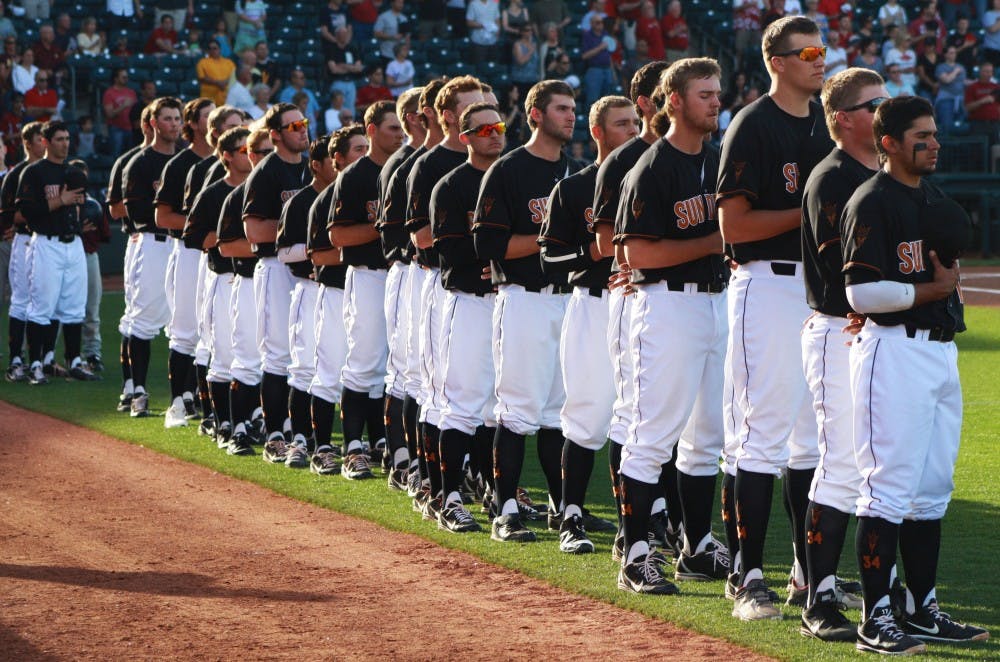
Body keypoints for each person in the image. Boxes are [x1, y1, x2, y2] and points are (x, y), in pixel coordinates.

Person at [840, 94, 990, 654]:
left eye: (934, 135)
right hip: (893, 352)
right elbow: (860, 292)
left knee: (931, 492)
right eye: (920, 137)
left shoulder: (933, 197)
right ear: (889, 143)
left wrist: (938, 289)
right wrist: (931, 289)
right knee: (886, 490)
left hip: (939, 352)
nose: (933, 144)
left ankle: (921, 607)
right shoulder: (872, 201)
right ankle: (875, 617)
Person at [716, 15, 834, 621]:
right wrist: (808, 211)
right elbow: (734, 227)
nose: (820, 58)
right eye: (807, 51)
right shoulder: (752, 125)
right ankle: (746, 574)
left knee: (810, 439)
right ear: (778, 61)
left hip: (815, 293)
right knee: (760, 435)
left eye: (822, 48)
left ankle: (804, 573)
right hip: (766, 284)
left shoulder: (826, 123)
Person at [613, 57, 731, 594]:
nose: (715, 101)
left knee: (707, 436)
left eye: (717, 92)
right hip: (667, 305)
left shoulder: (720, 159)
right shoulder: (651, 167)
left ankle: (696, 546)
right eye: (704, 94)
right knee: (651, 434)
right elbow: (635, 253)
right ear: (674, 101)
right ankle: (635, 552)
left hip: (715, 302)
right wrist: (711, 242)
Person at [797, 67, 886, 641]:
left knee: (877, 468)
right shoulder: (833, 178)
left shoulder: (883, 172)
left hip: (871, 333)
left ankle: (886, 593)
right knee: (838, 469)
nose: (884, 111)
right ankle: (817, 596)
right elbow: (841, 272)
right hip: (839, 329)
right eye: (873, 104)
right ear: (841, 118)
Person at [472, 79, 580, 542]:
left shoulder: (574, 171)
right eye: (560, 108)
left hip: (568, 300)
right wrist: (550, 240)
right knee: (516, 410)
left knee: (560, 411)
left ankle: (562, 508)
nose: (570, 116)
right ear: (535, 114)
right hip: (523, 299)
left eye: (574, 108)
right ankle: (505, 510)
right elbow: (487, 243)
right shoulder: (509, 169)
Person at [536, 94, 638, 554]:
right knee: (586, 413)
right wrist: (594, 251)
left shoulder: (647, 178)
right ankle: (570, 514)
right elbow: (551, 257)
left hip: (640, 305)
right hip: (593, 302)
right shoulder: (575, 187)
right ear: (598, 132)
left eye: (636, 122)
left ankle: (635, 523)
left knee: (636, 417)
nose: (633, 131)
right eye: (622, 124)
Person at [590, 61, 674, 561]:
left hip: (688, 295)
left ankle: (671, 519)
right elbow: (606, 244)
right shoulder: (624, 161)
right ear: (646, 102)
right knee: (633, 414)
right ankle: (636, 526)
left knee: (681, 423)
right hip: (635, 293)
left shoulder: (701, 154)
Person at [403, 75, 485, 519]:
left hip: (491, 287)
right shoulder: (430, 166)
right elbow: (421, 236)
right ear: (449, 116)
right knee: (438, 390)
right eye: (473, 109)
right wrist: (487, 243)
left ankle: (486, 482)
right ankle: (434, 484)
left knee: (491, 396)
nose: (483, 118)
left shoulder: (499, 165)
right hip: (439, 282)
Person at [426, 100, 504, 531]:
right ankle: (447, 496)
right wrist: (496, 260)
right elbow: (449, 250)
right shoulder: (452, 185)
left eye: (498, 126)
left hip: (506, 301)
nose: (493, 133)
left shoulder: (510, 176)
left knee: (498, 406)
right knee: (459, 404)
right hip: (469, 300)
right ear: (465, 137)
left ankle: (495, 493)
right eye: (483, 128)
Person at [328, 100, 404, 479]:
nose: (400, 133)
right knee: (365, 361)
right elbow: (338, 234)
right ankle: (352, 447)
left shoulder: (406, 167)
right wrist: (385, 226)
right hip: (369, 274)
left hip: (403, 276)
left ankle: (391, 446)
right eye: (392, 127)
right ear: (371, 130)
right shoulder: (356, 175)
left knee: (402, 363)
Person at [377, 79, 444, 497]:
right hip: (411, 270)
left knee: (438, 376)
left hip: (443, 276)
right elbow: (397, 236)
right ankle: (405, 458)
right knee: (409, 372)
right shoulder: (405, 164)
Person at [243, 102, 309, 452]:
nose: (302, 129)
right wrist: (296, 228)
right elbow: (254, 229)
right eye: (293, 125)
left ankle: (300, 429)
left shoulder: (311, 169)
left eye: (303, 122)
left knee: (304, 351)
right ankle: (273, 434)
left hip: (306, 268)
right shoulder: (267, 171)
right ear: (275, 134)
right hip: (275, 268)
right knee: (278, 353)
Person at [275, 135, 339, 466]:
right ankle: (300, 440)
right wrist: (321, 252)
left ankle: (329, 441)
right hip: (309, 289)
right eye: (333, 159)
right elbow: (284, 251)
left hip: (342, 289)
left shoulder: (347, 194)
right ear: (317, 165)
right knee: (304, 367)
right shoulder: (300, 202)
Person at [307, 123, 367, 474]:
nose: (362, 152)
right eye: (356, 148)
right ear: (337, 159)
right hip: (333, 289)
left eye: (364, 146)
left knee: (372, 373)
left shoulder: (379, 183)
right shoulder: (322, 200)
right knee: (331, 370)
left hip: (368, 290)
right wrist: (370, 241)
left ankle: (369, 443)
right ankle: (324, 446)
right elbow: (319, 254)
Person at [15, 120, 95, 384]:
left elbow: (80, 204)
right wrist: (60, 200)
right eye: (59, 139)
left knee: (74, 307)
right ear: (46, 142)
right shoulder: (34, 172)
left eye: (67, 138)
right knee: (41, 307)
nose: (65, 143)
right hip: (45, 243)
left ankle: (74, 361)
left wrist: (76, 207)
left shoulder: (72, 172)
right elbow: (26, 211)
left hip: (73, 244)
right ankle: (36, 364)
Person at [155, 97, 217, 429]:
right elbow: (162, 215)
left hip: (220, 255)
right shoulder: (181, 165)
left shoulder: (237, 165)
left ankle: (209, 406)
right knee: (184, 330)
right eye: (208, 116)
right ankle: (177, 401)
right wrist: (203, 225)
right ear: (194, 123)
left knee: (215, 331)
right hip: (190, 252)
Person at [120, 96, 183, 416]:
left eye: (178, 118)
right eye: (168, 118)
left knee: (184, 323)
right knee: (143, 321)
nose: (174, 123)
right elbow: (134, 210)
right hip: (152, 242)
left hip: (181, 246)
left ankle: (183, 397)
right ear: (154, 123)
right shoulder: (141, 162)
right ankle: (137, 391)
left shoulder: (185, 160)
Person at [215, 126, 270, 454]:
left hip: (282, 282)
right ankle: (236, 428)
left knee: (277, 361)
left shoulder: (290, 188)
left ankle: (267, 422)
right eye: (261, 153)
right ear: (249, 155)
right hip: (247, 282)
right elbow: (225, 246)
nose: (266, 158)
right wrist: (270, 245)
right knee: (246, 357)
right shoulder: (237, 195)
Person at [108, 106, 154, 412]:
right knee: (136, 318)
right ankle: (131, 385)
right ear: (146, 125)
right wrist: (153, 207)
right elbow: (115, 209)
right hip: (142, 239)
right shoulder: (129, 161)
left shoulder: (180, 163)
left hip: (173, 245)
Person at [2, 121, 46, 382]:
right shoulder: (17, 173)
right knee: (21, 301)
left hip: (47, 243)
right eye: (40, 139)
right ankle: (16, 360)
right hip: (24, 240)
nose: (44, 143)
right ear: (27, 143)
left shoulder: (53, 171)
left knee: (43, 302)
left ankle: (42, 359)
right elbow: (8, 213)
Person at [69, 158, 110, 373]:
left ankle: (93, 353)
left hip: (88, 256)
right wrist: (76, 229)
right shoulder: (63, 202)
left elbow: (104, 235)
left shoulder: (93, 205)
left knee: (91, 308)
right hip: (64, 254)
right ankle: (55, 356)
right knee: (61, 309)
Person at [326, 27, 364, 115]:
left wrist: (343, 65)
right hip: (338, 82)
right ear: (337, 35)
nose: (344, 36)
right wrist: (351, 68)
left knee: (350, 110)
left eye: (345, 34)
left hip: (350, 83)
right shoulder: (332, 49)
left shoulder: (352, 49)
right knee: (336, 109)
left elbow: (358, 68)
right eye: (342, 34)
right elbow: (334, 69)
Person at [581, 15, 614, 108]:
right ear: (591, 24)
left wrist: (613, 72)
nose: (600, 24)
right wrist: (600, 48)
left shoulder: (605, 34)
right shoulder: (587, 35)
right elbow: (584, 56)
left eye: (601, 22)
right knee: (593, 100)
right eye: (597, 22)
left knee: (607, 100)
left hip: (607, 69)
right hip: (594, 70)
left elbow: (609, 55)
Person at [934, 45, 967, 135]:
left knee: (961, 126)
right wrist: (955, 71)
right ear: (945, 55)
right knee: (947, 126)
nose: (954, 55)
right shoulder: (941, 67)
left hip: (960, 99)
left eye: (955, 53)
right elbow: (947, 80)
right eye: (951, 53)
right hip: (946, 99)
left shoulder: (961, 66)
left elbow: (963, 81)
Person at [965, 60, 1000, 142]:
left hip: (994, 124)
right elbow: (967, 108)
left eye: (991, 72)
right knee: (978, 152)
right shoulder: (972, 87)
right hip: (978, 124)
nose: (989, 74)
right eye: (986, 72)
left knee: (995, 152)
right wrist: (982, 101)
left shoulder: (997, 87)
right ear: (980, 72)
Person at [278, 69, 321, 137]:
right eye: (301, 78)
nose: (304, 79)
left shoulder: (309, 92)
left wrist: (310, 120)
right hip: (296, 134)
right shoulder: (286, 93)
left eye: (304, 77)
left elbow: (316, 110)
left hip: (311, 134)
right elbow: (288, 124)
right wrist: (305, 121)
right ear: (293, 79)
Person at [197, 41, 236, 105]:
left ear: (220, 49)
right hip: (209, 98)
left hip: (226, 98)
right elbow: (202, 78)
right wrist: (218, 83)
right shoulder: (202, 62)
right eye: (210, 48)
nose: (212, 50)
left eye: (215, 48)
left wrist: (224, 83)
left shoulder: (229, 62)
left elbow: (234, 76)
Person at [510, 26, 540, 97]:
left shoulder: (534, 44)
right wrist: (530, 51)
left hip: (533, 79)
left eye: (531, 30)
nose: (530, 32)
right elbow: (521, 62)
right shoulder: (518, 45)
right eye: (527, 30)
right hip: (520, 80)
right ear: (521, 32)